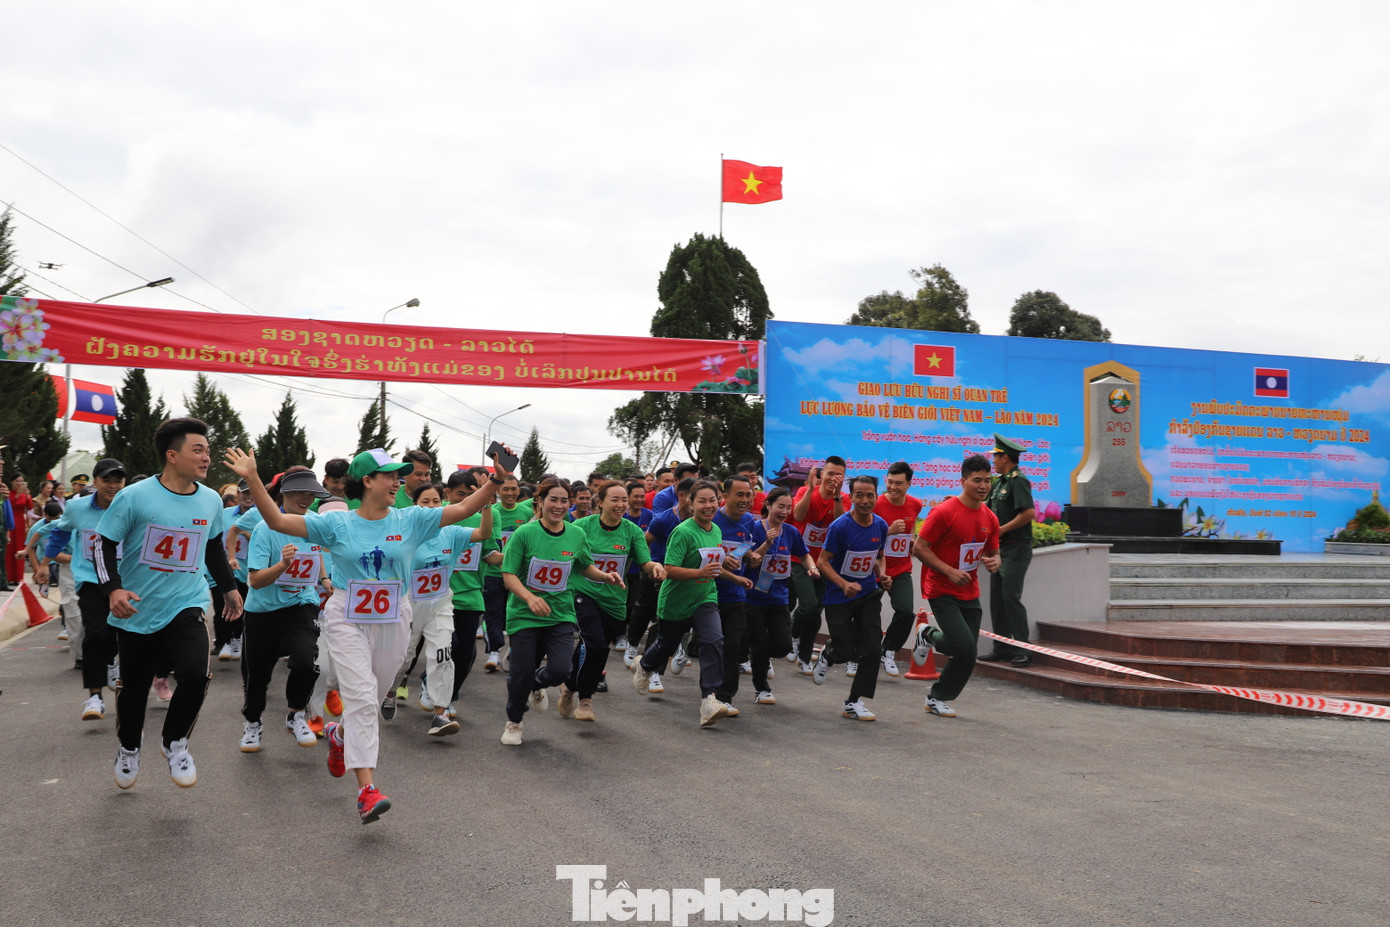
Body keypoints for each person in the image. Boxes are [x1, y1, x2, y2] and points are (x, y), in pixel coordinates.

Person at [225, 445, 509, 823]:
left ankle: (340, 735)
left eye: (398, 475)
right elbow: (277, 521)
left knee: (371, 700)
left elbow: (464, 510)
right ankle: (366, 789)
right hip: (347, 617)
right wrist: (252, 477)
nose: (397, 481)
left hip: (395, 615)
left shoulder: (411, 519)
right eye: (390, 475)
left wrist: (497, 479)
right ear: (367, 481)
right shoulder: (336, 523)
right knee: (358, 696)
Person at [96, 420, 243, 790]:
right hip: (138, 606)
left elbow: (211, 546)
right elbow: (104, 544)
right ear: (172, 455)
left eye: (208, 450)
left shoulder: (210, 500)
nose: (206, 456)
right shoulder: (135, 496)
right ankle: (129, 747)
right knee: (133, 689)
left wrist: (227, 588)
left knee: (194, 674)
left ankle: (175, 741)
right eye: (198, 449)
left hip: (187, 602)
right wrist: (113, 589)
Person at [499, 479, 624, 745]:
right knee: (520, 670)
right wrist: (530, 597)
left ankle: (536, 684)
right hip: (524, 614)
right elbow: (508, 575)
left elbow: (584, 566)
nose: (559, 506)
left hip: (560, 614)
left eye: (564, 501)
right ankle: (515, 721)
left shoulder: (576, 534)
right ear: (540, 502)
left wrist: (604, 576)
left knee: (559, 670)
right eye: (553, 500)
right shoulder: (525, 534)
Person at [239, 468, 333, 753]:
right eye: (300, 493)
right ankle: (253, 723)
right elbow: (254, 580)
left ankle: (296, 714)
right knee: (257, 676)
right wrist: (282, 565)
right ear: (284, 495)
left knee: (308, 662)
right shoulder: (265, 528)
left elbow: (316, 554)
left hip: (301, 605)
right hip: (262, 611)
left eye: (311, 494)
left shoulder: (316, 523)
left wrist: (325, 580)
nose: (306, 499)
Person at [388, 479, 491, 738]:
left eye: (436, 501)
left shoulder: (452, 532)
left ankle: (440, 713)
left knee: (443, 655)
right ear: (415, 507)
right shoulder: (405, 537)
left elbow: (483, 534)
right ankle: (388, 691)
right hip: (409, 606)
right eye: (426, 502)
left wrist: (487, 506)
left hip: (441, 604)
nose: (432, 507)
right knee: (404, 657)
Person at [558, 481, 664, 723]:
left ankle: (569, 687)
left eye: (623, 500)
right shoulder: (582, 527)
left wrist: (655, 567)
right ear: (601, 502)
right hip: (583, 593)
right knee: (594, 644)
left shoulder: (632, 531)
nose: (621, 504)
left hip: (615, 600)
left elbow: (644, 562)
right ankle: (586, 699)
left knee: (594, 647)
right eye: (614, 499)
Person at [631, 479, 731, 728]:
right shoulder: (683, 531)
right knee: (666, 645)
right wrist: (700, 573)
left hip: (705, 597)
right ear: (690, 502)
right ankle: (643, 664)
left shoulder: (716, 530)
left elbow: (711, 566)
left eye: (713, 500)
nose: (709, 505)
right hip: (676, 600)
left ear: (720, 501)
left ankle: (709, 700)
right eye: (702, 501)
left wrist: (732, 574)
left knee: (713, 639)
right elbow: (670, 569)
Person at [911, 455, 1001, 718]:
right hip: (941, 587)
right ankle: (928, 636)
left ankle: (937, 694)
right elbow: (919, 548)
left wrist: (994, 562)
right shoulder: (943, 512)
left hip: (969, 591)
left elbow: (995, 553)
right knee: (963, 646)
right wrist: (949, 571)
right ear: (963, 481)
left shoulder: (990, 518)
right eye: (977, 480)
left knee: (965, 652)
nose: (983, 486)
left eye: (987, 480)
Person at [39, 458, 127, 705]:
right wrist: (45, 564)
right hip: (90, 578)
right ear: (95, 481)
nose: (112, 486)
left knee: (115, 634)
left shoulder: (131, 506)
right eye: (106, 480)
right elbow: (59, 533)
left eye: (117, 481)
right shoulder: (77, 509)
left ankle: (111, 660)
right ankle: (94, 696)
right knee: (95, 634)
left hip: (123, 580)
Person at [812, 476, 890, 721]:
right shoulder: (840, 527)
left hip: (868, 593)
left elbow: (878, 556)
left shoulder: (880, 525)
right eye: (859, 495)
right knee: (845, 650)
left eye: (870, 495)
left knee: (872, 649)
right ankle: (829, 654)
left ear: (876, 497)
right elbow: (822, 562)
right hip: (839, 596)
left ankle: (854, 702)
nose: (865, 500)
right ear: (851, 497)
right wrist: (843, 583)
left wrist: (882, 573)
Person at [743, 488, 815, 705]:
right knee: (760, 645)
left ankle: (757, 656)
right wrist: (767, 543)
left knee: (783, 646)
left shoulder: (791, 532)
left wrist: (811, 568)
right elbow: (751, 560)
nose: (785, 511)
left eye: (788, 507)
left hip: (778, 598)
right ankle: (761, 689)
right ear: (768, 505)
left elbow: (804, 555)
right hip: (753, 597)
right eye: (780, 506)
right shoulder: (754, 528)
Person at [441, 470, 499, 717]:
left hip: (470, 595)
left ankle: (447, 696)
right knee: (443, 648)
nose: (466, 500)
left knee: (464, 654)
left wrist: (521, 558)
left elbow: (490, 552)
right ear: (448, 493)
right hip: (436, 595)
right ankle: (421, 688)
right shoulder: (438, 512)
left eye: (472, 495)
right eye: (460, 495)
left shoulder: (487, 515)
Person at [788, 456, 849, 672]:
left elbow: (843, 528)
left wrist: (837, 498)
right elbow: (797, 515)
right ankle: (793, 634)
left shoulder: (843, 499)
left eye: (839, 474)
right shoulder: (806, 492)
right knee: (808, 605)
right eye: (830, 473)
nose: (834, 478)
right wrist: (812, 490)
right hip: (801, 559)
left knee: (816, 612)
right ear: (822, 474)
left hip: (824, 563)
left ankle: (804, 657)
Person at [983, 435, 1036, 667]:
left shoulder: (1018, 481)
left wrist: (1001, 530)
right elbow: (984, 508)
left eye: (996, 455)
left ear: (1006, 457)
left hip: (1016, 549)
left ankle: (1023, 648)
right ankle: (1001, 647)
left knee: (1010, 598)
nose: (993, 460)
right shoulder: (999, 482)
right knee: (997, 600)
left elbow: (1028, 513)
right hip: (1000, 550)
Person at [711, 475, 759, 714]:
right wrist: (721, 558)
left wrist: (751, 557)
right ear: (725, 496)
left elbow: (745, 549)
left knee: (732, 644)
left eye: (749, 494)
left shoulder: (749, 521)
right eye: (739, 494)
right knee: (712, 644)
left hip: (736, 595)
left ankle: (724, 697)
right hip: (708, 593)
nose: (745, 499)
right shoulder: (711, 518)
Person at [874, 461, 924, 677]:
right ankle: (863, 653)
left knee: (905, 611)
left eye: (899, 483)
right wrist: (888, 532)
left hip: (902, 568)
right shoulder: (874, 504)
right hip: (874, 568)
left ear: (909, 484)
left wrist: (910, 541)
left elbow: (910, 528)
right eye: (890, 482)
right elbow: (862, 535)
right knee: (868, 613)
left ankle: (888, 650)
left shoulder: (915, 504)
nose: (893, 487)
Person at [481, 475, 532, 672]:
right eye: (506, 489)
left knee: (515, 612)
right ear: (498, 492)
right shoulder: (491, 512)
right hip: (493, 572)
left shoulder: (527, 513)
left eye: (514, 488)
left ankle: (514, 650)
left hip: (518, 576)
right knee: (493, 613)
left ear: (519, 490)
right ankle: (494, 650)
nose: (510, 493)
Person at [8, 476, 32, 585]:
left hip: (21, 524)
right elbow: (10, 505)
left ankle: (18, 577)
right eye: (17, 481)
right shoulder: (9, 494)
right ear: (12, 482)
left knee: (19, 548)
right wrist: (17, 495)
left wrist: (27, 496)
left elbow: (30, 507)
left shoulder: (25, 494)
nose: (19, 483)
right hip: (10, 522)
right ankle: (9, 577)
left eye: (21, 481)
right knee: (9, 550)